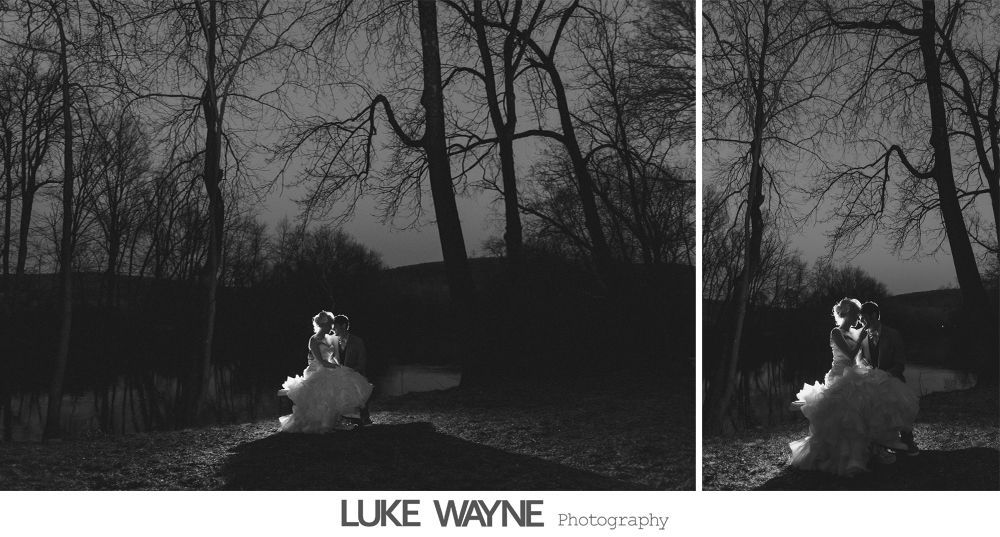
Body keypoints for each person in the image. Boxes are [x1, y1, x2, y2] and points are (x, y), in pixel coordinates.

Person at [787, 298, 919, 476]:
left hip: (856, 374)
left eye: (861, 314)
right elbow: (849, 356)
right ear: (847, 314)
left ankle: (877, 445)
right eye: (857, 313)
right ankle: (848, 452)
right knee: (847, 414)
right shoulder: (836, 332)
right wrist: (862, 340)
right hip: (841, 375)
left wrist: (871, 367)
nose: (859, 318)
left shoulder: (858, 332)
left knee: (868, 406)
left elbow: (862, 357)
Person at [277, 311, 372, 433]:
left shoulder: (330, 338)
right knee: (329, 387)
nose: (331, 328)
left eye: (332, 326)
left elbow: (333, 357)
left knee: (344, 382)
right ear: (323, 326)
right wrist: (337, 367)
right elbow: (320, 361)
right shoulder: (313, 340)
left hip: (329, 367)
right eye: (329, 326)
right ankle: (327, 421)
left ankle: (341, 419)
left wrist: (338, 366)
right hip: (317, 369)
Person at [860, 301, 919, 456]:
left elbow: (900, 364)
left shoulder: (893, 335)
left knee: (899, 406)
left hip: (892, 380)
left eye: (863, 318)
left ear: (873, 315)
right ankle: (879, 443)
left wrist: (885, 376)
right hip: (872, 383)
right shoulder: (863, 338)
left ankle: (908, 440)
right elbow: (863, 361)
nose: (860, 322)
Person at [333, 314, 373, 427]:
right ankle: (341, 417)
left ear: (344, 326)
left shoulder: (357, 341)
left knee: (356, 385)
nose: (333, 329)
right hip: (339, 374)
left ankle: (363, 417)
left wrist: (351, 371)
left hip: (355, 372)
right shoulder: (333, 341)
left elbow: (362, 361)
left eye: (335, 327)